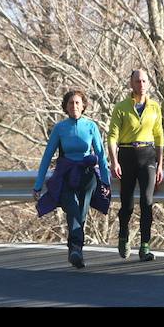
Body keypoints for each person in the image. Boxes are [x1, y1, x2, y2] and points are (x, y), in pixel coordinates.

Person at [33, 90, 111, 269]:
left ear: (83, 106)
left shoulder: (91, 126)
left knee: (81, 213)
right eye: (70, 103)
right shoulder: (60, 128)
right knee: (73, 209)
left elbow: (100, 154)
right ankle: (75, 248)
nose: (74, 106)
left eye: (77, 103)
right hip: (66, 175)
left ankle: (76, 250)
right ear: (65, 107)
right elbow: (47, 157)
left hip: (87, 175)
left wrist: (105, 181)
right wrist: (38, 185)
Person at [107, 69, 164, 261]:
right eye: (137, 81)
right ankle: (123, 235)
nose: (141, 85)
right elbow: (112, 136)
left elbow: (159, 136)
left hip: (147, 155)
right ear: (131, 84)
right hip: (127, 155)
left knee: (147, 203)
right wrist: (114, 161)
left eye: (144, 81)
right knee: (128, 204)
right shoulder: (121, 107)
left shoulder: (155, 107)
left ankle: (145, 246)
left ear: (148, 84)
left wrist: (160, 164)